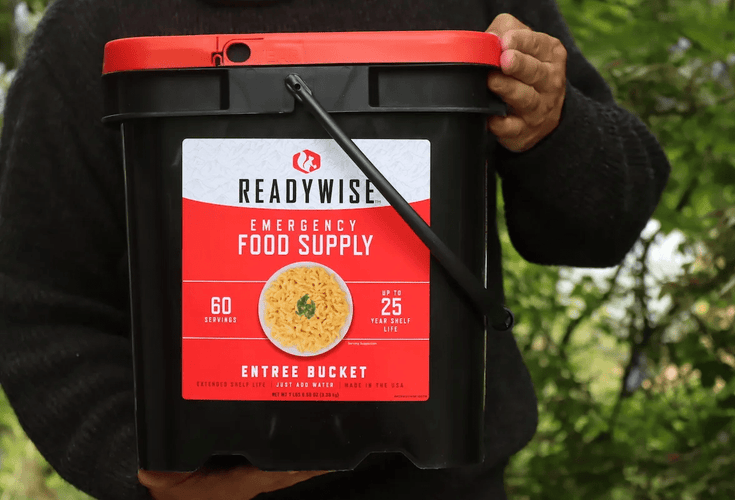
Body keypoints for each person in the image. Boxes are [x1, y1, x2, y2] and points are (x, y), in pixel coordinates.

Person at [0, 0, 670, 499]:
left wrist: (556, 125)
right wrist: (135, 465)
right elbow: (33, 297)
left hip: (445, 485)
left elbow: (603, 225)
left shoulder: (465, 4)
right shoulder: (99, 24)